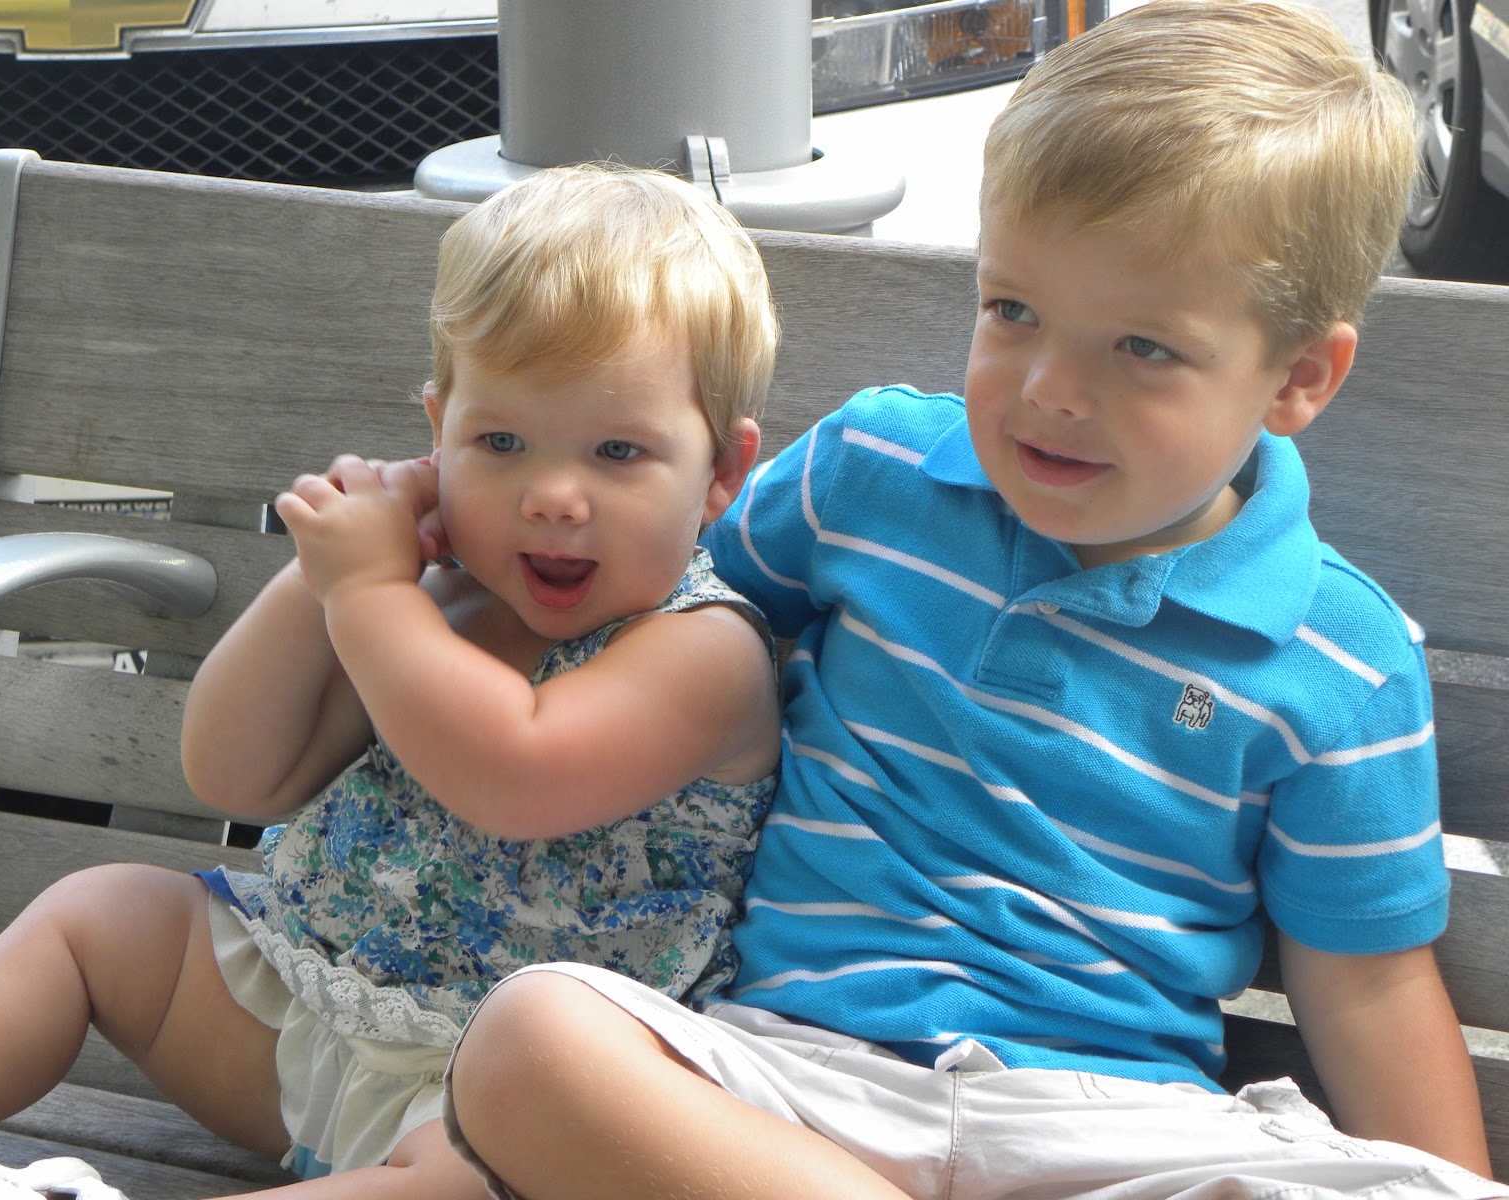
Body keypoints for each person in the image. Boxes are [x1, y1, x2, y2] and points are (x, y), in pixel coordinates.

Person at [440, 4, 1507, 1199]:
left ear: (1297, 378)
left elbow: (1367, 985)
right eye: (1012, 311)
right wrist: (432, 542)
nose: (1048, 389)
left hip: (1116, 1129)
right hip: (785, 1087)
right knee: (530, 1038)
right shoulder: (869, 476)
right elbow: (655, 605)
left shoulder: (1342, 657)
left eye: (1142, 349)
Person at [0, 163, 782, 1200]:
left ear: (721, 473)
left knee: (480, 1183)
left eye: (618, 451)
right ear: (438, 433)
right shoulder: (432, 600)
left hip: (497, 1096)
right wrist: (323, 575)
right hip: (295, 996)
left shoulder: (702, 650)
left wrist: (368, 594)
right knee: (101, 918)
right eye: (500, 441)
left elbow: (515, 772)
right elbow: (239, 774)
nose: (552, 495)